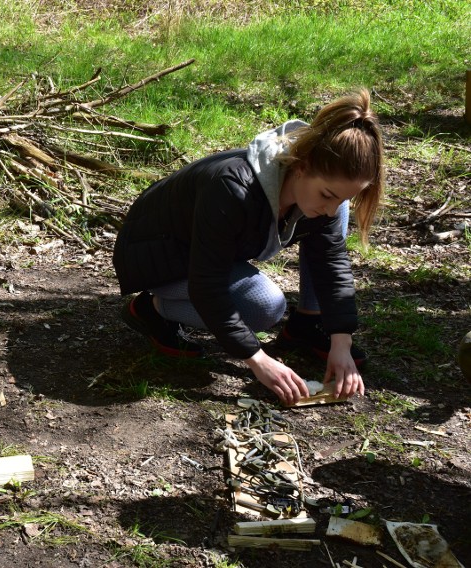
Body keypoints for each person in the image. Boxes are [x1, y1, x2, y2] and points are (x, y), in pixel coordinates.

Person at [113, 90, 384, 406]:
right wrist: (257, 358)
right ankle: (152, 309)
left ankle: (308, 324)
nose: (331, 207)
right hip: (154, 255)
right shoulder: (232, 188)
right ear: (302, 165)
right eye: (327, 194)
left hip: (203, 253)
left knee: (335, 217)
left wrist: (341, 340)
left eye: (342, 197)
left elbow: (331, 261)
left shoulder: (320, 198)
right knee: (263, 307)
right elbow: (207, 284)